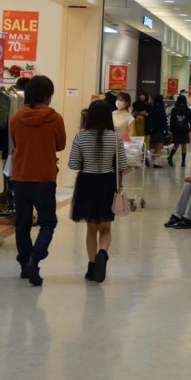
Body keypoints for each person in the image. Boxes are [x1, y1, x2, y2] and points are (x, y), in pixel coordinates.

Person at [9, 75, 67, 286]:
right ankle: (35, 257)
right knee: (48, 222)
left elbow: (15, 144)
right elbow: (60, 145)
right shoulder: (55, 118)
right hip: (45, 178)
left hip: (20, 177)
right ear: (47, 96)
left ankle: (24, 264)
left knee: (22, 224)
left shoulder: (15, 118)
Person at [69, 100, 129, 283]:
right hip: (107, 183)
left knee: (91, 228)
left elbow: (72, 164)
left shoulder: (80, 137)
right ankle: (103, 253)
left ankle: (92, 266)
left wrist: (84, 161)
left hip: (87, 183)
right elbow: (123, 164)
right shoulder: (115, 137)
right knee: (105, 227)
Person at [167, 95, 191, 167]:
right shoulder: (188, 110)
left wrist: (171, 130)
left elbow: (171, 121)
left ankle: (170, 156)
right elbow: (190, 120)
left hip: (176, 129)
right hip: (184, 129)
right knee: (184, 145)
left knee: (176, 144)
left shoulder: (174, 109)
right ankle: (183, 162)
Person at [146, 93, 169, 166]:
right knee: (159, 146)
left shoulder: (152, 108)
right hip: (159, 130)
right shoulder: (161, 109)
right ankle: (156, 162)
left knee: (153, 146)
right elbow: (164, 120)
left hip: (152, 130)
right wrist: (166, 131)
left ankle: (148, 157)